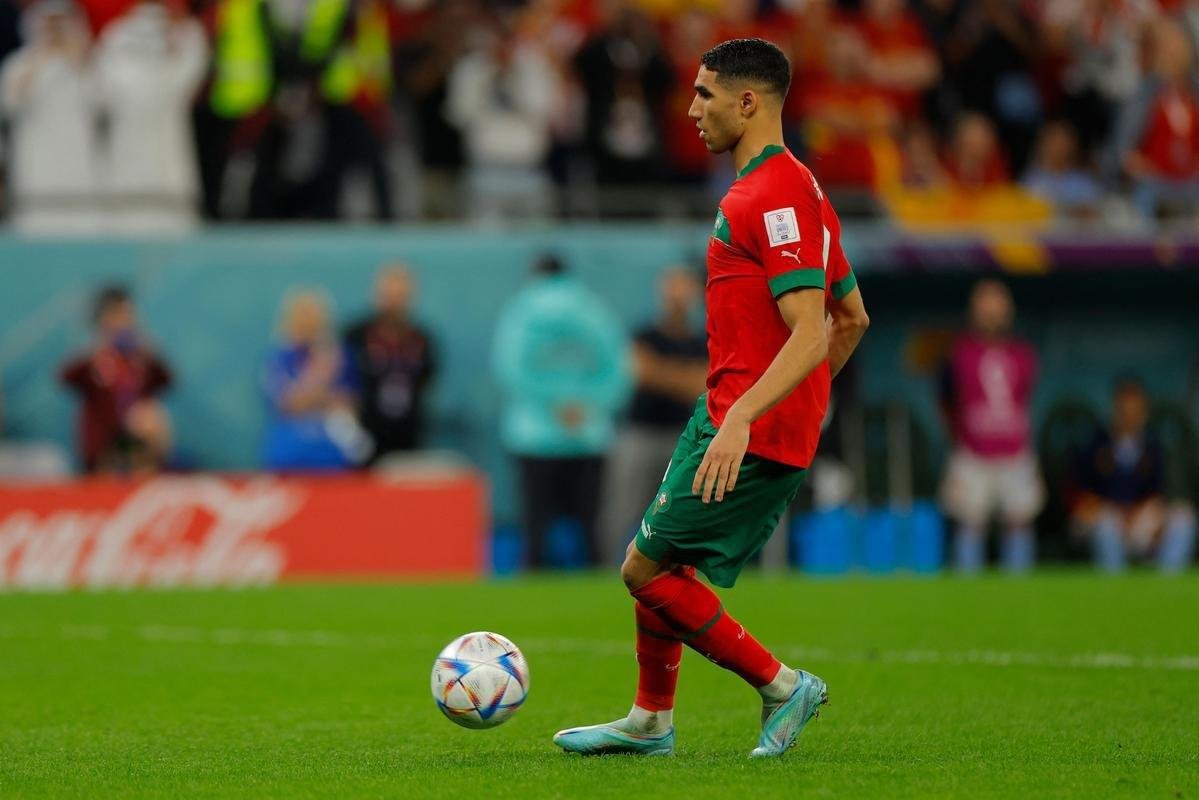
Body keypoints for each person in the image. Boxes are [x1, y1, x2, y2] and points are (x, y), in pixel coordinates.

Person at [553, 38, 869, 759]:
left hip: (742, 423)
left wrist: (754, 417)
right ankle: (650, 720)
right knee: (667, 562)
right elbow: (851, 317)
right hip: (735, 413)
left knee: (640, 568)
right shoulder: (801, 187)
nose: (691, 109)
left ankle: (782, 685)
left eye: (704, 94)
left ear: (746, 101)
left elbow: (811, 327)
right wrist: (800, 405)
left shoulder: (772, 194)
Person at [491, 254, 630, 569]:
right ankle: (599, 605)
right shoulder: (595, 310)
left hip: (533, 435)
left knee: (536, 527)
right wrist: (583, 404)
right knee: (590, 528)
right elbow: (618, 370)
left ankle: (531, 600)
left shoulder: (521, 310)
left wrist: (551, 404)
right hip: (588, 433)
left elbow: (509, 368)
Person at [598, 265, 707, 564]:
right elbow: (642, 373)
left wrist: (663, 373)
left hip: (682, 437)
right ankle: (609, 568)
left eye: (684, 288)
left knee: (678, 510)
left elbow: (703, 384)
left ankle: (674, 573)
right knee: (623, 509)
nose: (677, 296)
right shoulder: (644, 334)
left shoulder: (701, 341)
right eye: (672, 288)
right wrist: (681, 377)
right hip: (640, 434)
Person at [938, 279, 1042, 573]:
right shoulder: (959, 354)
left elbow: (1025, 397)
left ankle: (1021, 598)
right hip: (972, 453)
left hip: (1015, 452)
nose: (992, 313)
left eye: (998, 306)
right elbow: (945, 400)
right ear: (973, 310)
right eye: (985, 306)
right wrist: (958, 434)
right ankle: (968, 600)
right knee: (970, 525)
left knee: (1020, 524)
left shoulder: (1023, 355)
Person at [93, 0, 208, 233]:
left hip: (168, 151)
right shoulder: (117, 35)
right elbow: (101, 91)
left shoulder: (183, 32)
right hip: (126, 154)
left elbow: (188, 74)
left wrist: (178, 38)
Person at [1072, 378, 1196, 573]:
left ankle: (1166, 584)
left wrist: (1143, 517)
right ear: (1115, 409)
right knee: (1106, 522)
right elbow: (1081, 495)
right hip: (1105, 519)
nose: (1130, 417)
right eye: (1124, 410)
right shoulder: (1095, 443)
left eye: (1135, 411)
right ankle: (1114, 586)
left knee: (1184, 518)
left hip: (1139, 521)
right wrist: (1117, 514)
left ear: (1143, 412)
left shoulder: (1152, 446)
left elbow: (1158, 494)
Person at [0, 0, 100, 234]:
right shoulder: (19, 64)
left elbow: (101, 104)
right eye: (49, 24)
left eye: (61, 23)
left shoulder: (87, 63)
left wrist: (77, 61)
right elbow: (10, 105)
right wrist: (40, 59)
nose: (55, 31)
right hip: (37, 170)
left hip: (80, 171)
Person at [59, 285, 174, 474]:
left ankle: (145, 473)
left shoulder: (140, 358)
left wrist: (148, 349)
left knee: (151, 414)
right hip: (105, 440)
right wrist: (97, 347)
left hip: (136, 437)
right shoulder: (95, 358)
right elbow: (65, 377)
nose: (123, 321)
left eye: (127, 315)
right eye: (118, 315)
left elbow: (167, 380)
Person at [262, 290, 367, 471]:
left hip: (331, 452)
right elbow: (287, 403)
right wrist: (321, 378)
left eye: (313, 316)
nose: (308, 323)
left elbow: (349, 402)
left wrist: (314, 399)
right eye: (302, 316)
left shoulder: (341, 356)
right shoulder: (278, 358)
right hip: (289, 451)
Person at [343, 265, 436, 462]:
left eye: (400, 295)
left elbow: (427, 380)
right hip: (364, 435)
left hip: (408, 435)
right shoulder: (355, 336)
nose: (394, 302)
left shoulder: (422, 339)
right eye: (389, 294)